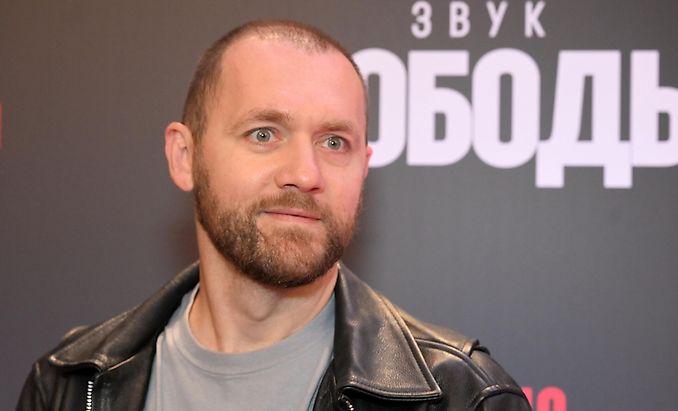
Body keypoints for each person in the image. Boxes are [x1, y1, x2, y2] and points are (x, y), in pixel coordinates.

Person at [17, 20, 531, 411]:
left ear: (364, 167)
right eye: (263, 134)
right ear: (184, 157)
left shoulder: (462, 397)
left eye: (335, 142)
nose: (305, 173)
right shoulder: (68, 383)